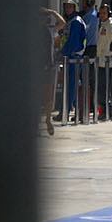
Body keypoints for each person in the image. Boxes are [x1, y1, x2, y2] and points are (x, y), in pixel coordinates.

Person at [60, 0, 87, 123]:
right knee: (73, 84)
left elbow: (73, 42)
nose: (67, 9)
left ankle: (65, 111)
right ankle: (75, 110)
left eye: (70, 6)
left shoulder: (76, 21)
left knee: (71, 84)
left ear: (75, 7)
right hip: (70, 56)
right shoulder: (71, 21)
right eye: (66, 6)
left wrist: (62, 52)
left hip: (74, 56)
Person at [41, 7, 66, 135]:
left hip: (48, 65)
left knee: (48, 95)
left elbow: (62, 23)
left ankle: (48, 120)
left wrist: (53, 12)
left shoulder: (51, 30)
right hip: (37, 67)